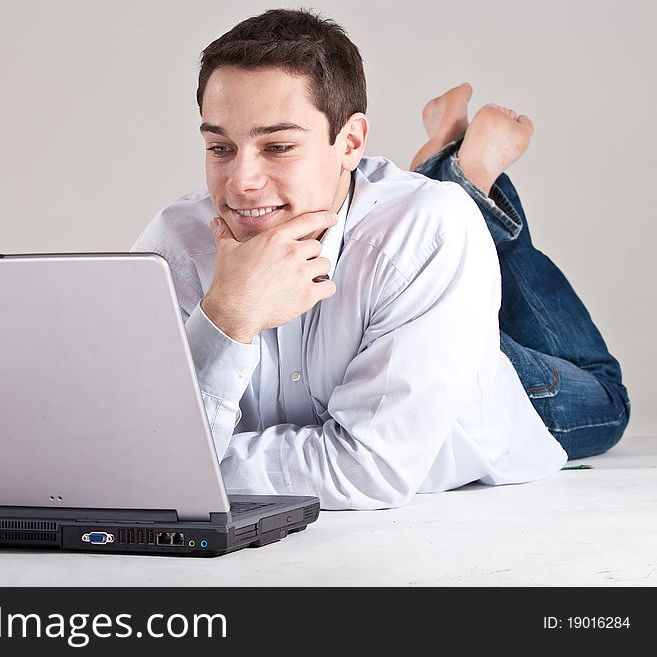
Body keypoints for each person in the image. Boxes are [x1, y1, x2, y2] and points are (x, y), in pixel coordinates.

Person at [131, 9, 629, 510]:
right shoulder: (176, 242)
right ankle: (448, 170)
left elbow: (367, 470)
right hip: (411, 311)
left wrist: (188, 465)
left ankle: (467, 180)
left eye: (277, 146)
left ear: (349, 143)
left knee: (607, 396)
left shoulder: (426, 231)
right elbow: (127, 445)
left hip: (480, 399)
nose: (240, 182)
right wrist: (227, 315)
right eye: (220, 147)